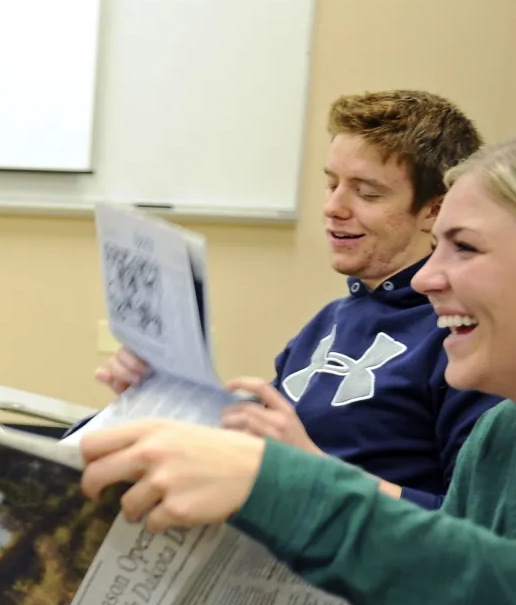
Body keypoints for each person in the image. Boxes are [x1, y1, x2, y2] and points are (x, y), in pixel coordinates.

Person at [80, 136, 516, 605]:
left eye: (466, 247)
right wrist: (171, 400)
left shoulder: (463, 368)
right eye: (331, 185)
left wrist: (285, 477)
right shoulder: (496, 433)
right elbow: (447, 577)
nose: (425, 278)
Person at [93, 91, 498, 507]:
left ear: (434, 211)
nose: (334, 207)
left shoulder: (464, 336)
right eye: (331, 184)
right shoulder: (330, 321)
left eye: (367, 193)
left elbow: (467, 533)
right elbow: (252, 440)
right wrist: (165, 391)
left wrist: (311, 470)